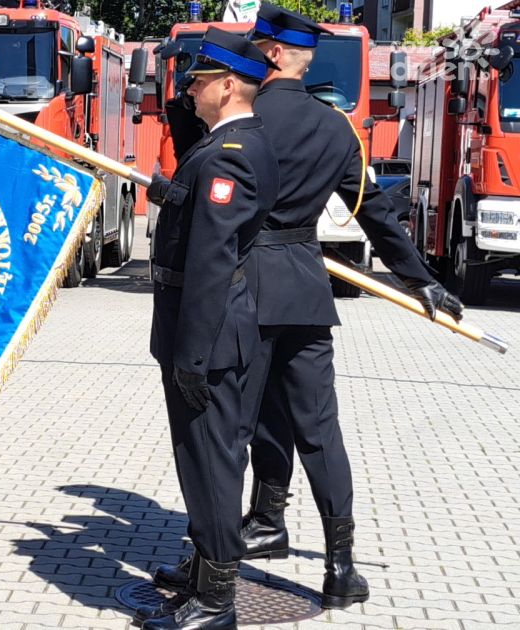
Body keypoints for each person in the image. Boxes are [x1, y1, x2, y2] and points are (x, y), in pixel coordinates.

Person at [147, 2, 465, 612]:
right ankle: (340, 566)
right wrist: (419, 279)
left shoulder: (239, 115)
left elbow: (201, 185)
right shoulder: (336, 128)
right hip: (304, 288)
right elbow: (373, 212)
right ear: (304, 57)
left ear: (265, 54)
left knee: (229, 433)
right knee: (319, 429)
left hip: (240, 287)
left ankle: (227, 549)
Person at [139, 28, 279, 630]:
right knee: (197, 457)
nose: (190, 89)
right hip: (200, 332)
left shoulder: (233, 156)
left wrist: (192, 355)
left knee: (212, 461)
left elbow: (212, 262)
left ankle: (217, 598)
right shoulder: (226, 145)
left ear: (227, 86)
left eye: (198, 81)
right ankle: (204, 566)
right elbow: (198, 206)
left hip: (209, 336)